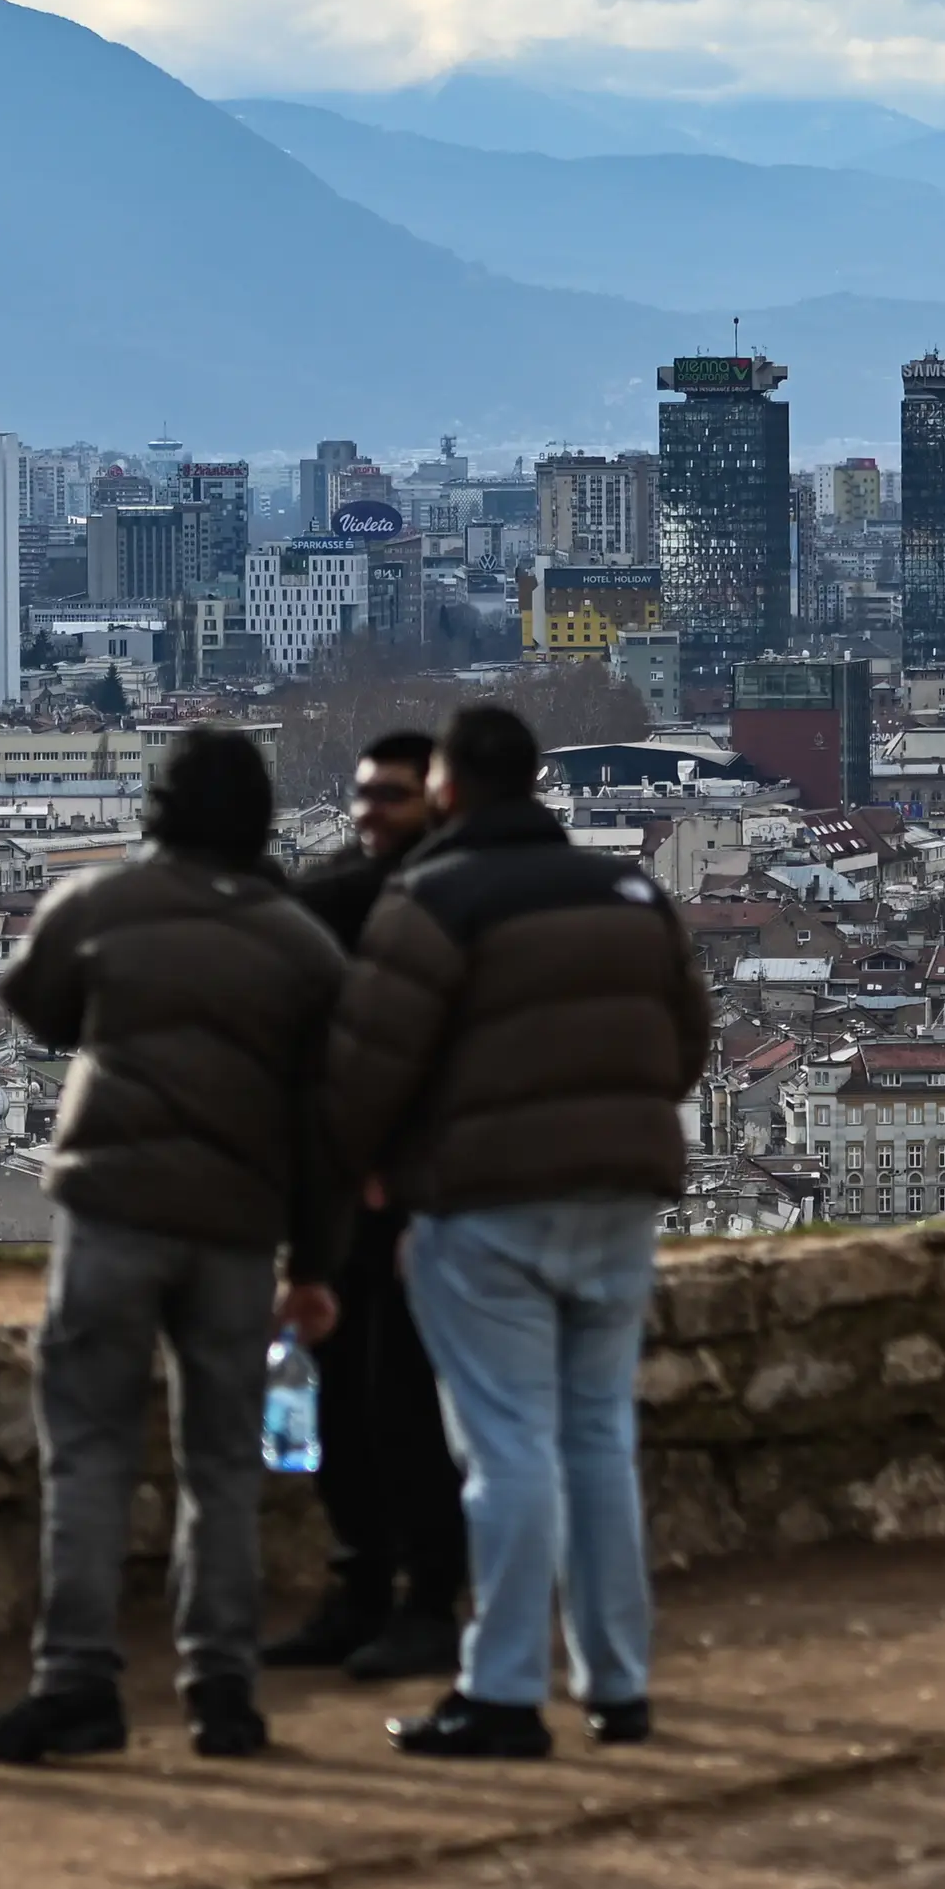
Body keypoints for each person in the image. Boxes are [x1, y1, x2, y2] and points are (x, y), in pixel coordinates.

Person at [0, 729, 348, 1767]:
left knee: (88, 1450)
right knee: (221, 1460)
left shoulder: (101, 904)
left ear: (156, 809)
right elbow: (324, 1119)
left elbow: (34, 1002)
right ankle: (223, 1690)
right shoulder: (301, 942)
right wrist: (314, 1263)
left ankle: (76, 1681)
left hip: (116, 1202)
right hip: (235, 1219)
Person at [328, 703, 713, 1760]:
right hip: (620, 1196)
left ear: (446, 790)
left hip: (485, 1200)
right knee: (598, 1438)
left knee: (504, 1448)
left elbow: (371, 1059)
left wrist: (366, 1166)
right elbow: (686, 1042)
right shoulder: (631, 890)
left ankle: (500, 1691)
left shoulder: (433, 897)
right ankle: (616, 1682)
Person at [265, 730, 470, 1683]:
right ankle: (361, 1590)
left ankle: (428, 1599)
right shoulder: (348, 889)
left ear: (435, 798)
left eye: (391, 794)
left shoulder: (430, 896)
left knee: (407, 1404)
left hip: (420, 1188)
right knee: (350, 1397)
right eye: (363, 793)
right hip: (347, 1183)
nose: (369, 810)